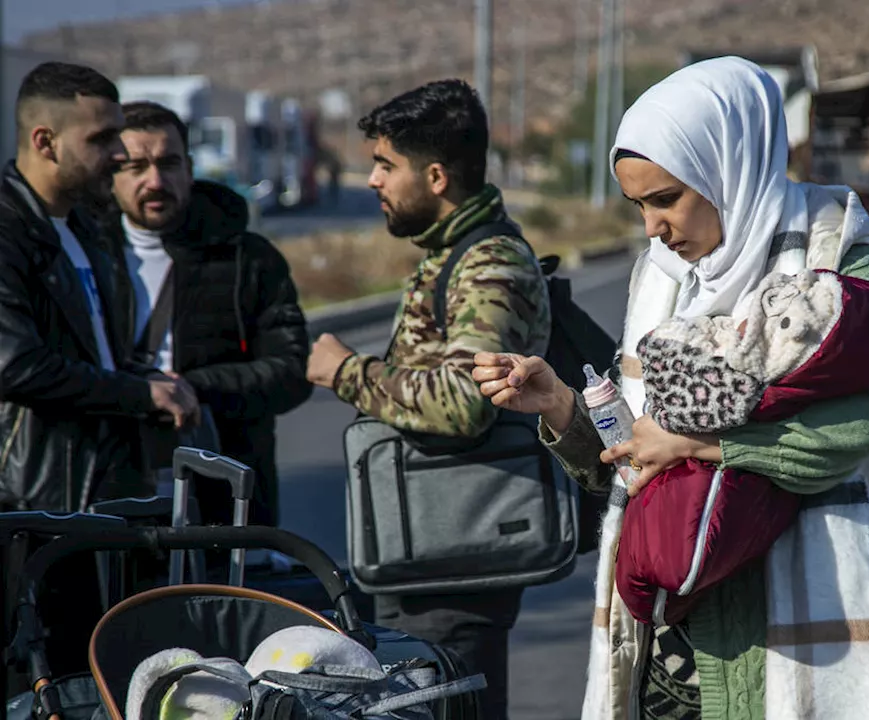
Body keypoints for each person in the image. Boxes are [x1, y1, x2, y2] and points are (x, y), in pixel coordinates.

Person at [474, 56, 869, 720]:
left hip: (801, 646)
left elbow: (856, 430)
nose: (652, 228)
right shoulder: (660, 277)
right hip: (672, 651)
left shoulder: (840, 251)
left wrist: (700, 446)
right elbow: (638, 457)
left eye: (665, 199)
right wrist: (564, 407)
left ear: (727, 166)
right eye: (638, 206)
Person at [304, 80, 550, 720]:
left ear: (436, 175)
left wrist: (347, 371)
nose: (372, 180)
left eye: (386, 165)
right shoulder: (450, 255)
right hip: (426, 560)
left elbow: (463, 402)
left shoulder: (490, 261)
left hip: (456, 567)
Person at [0, 61, 199, 676]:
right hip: (30, 511)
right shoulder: (9, 232)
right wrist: (139, 393)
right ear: (44, 141)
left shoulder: (86, 226)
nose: (118, 153)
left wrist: (151, 382)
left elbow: (95, 355)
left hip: (97, 507)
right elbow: (16, 364)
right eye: (101, 138)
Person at [102, 100, 313, 528]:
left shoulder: (247, 259)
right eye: (136, 166)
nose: (155, 180)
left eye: (168, 163)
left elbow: (292, 372)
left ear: (190, 167)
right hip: (110, 494)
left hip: (223, 502)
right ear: (110, 172)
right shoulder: (83, 256)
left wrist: (192, 389)